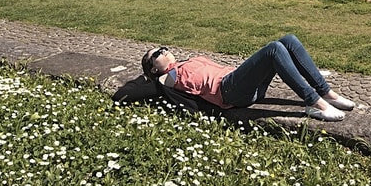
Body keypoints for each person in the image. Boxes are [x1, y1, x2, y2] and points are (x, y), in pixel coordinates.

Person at [140, 34, 355, 122]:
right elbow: (142, 87)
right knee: (274, 49)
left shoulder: (183, 64)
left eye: (163, 48)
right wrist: (149, 77)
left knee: (288, 40)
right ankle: (314, 103)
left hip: (239, 82)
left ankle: (326, 92)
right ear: (154, 69)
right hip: (228, 90)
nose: (163, 51)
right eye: (157, 54)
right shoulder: (167, 78)